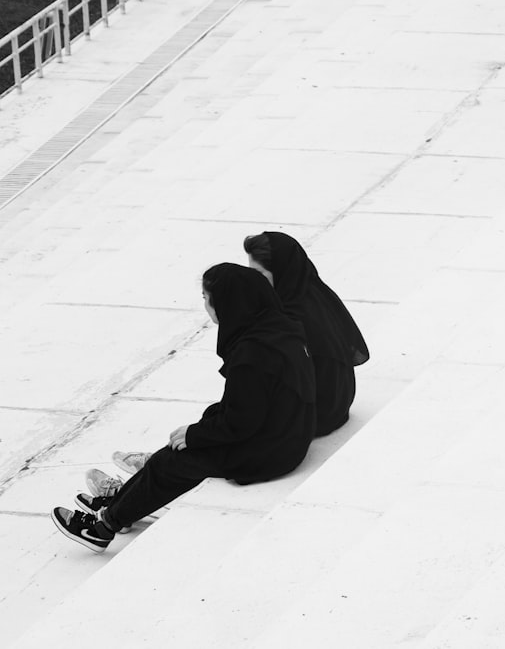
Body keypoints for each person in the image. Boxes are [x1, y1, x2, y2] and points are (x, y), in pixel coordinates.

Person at [52, 263, 316, 552]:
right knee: (174, 452)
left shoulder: (252, 354)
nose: (205, 305)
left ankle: (102, 528)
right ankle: (120, 506)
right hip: (287, 434)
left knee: (172, 462)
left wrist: (196, 435)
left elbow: (241, 422)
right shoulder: (276, 328)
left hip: (272, 451)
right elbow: (253, 404)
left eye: (206, 298)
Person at [244, 231, 368, 436]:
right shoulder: (311, 292)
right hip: (338, 403)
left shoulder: (292, 316)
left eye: (260, 275)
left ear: (281, 271)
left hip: (318, 415)